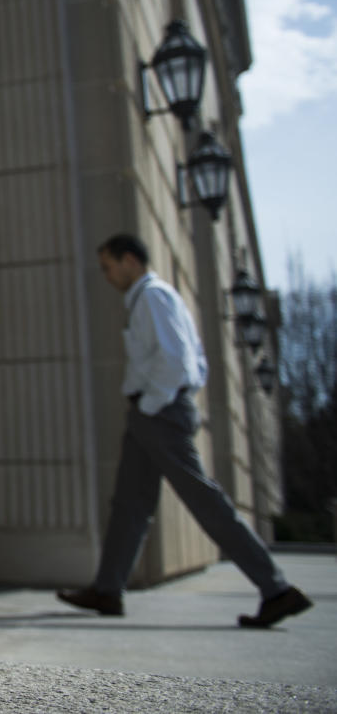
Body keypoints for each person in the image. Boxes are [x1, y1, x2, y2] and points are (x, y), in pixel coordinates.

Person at [56, 233, 312, 628]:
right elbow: (199, 362)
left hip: (158, 413)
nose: (106, 276)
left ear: (130, 261)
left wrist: (151, 404)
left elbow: (175, 362)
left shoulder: (154, 297)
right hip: (152, 413)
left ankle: (276, 589)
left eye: (108, 266)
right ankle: (107, 589)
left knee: (203, 500)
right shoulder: (156, 298)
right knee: (129, 505)